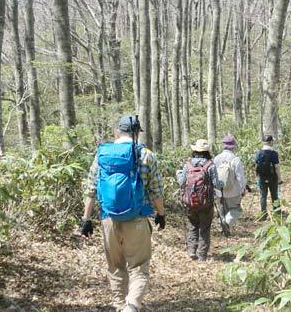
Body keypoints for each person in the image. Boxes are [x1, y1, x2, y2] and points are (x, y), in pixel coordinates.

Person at [80, 115, 165, 312]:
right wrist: (161, 213)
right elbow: (156, 191)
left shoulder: (102, 154)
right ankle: (132, 306)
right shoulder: (146, 155)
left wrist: (86, 219)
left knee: (116, 266)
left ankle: (119, 305)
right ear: (137, 133)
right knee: (139, 266)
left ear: (117, 131)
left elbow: (91, 189)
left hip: (108, 219)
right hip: (136, 219)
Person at [177, 139, 223, 261]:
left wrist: (178, 174)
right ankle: (202, 255)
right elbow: (216, 184)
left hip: (190, 202)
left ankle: (192, 250)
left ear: (195, 151)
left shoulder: (188, 165)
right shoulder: (210, 165)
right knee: (205, 227)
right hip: (206, 203)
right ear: (207, 152)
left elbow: (181, 182)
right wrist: (222, 182)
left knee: (192, 225)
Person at [213, 134, 248, 233]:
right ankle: (227, 224)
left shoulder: (216, 159)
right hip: (234, 191)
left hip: (220, 191)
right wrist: (243, 189)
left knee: (222, 211)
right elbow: (240, 177)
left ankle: (223, 229)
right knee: (236, 209)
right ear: (233, 146)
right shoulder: (235, 159)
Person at [255, 134, 282, 218]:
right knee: (274, 195)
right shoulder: (274, 153)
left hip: (262, 178)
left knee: (263, 196)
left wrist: (257, 176)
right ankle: (277, 213)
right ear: (270, 142)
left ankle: (263, 214)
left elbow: (255, 165)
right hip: (273, 177)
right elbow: (276, 167)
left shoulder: (259, 153)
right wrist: (280, 179)